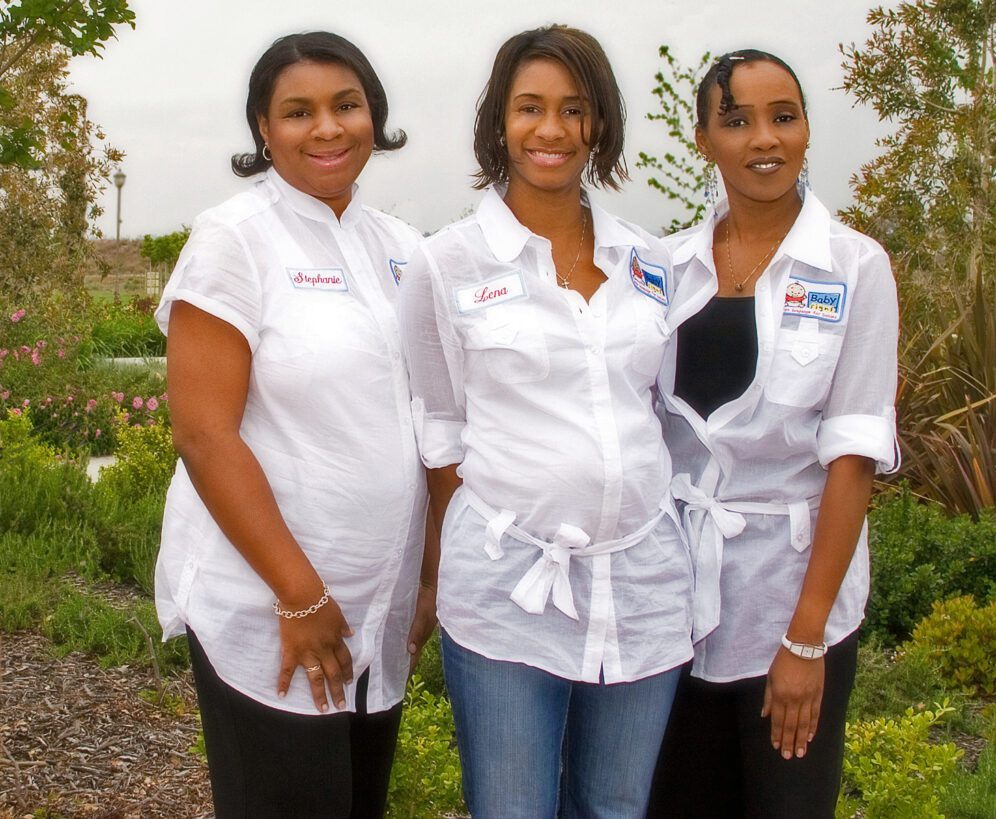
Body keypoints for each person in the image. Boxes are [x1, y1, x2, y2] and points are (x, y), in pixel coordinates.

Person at [399, 24, 694, 819]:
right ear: (499, 121)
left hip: (643, 590)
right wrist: (443, 568)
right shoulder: (449, 262)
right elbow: (441, 430)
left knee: (615, 808)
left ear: (600, 123)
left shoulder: (650, 262)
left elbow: (665, 413)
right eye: (530, 108)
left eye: (574, 109)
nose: (552, 130)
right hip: (506, 595)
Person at [153, 31, 434, 818]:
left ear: (373, 115)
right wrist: (299, 595)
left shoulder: (403, 249)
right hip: (272, 606)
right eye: (298, 111)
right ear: (263, 131)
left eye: (347, 105)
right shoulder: (234, 239)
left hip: (373, 612)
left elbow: (432, 422)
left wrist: (430, 579)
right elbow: (204, 434)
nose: (328, 128)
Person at [646, 50, 899, 818]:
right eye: (738, 120)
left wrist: (806, 639)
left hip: (791, 601)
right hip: (672, 602)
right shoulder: (665, 270)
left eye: (783, 117)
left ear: (806, 129)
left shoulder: (854, 267)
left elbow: (852, 459)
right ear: (703, 140)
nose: (765, 138)